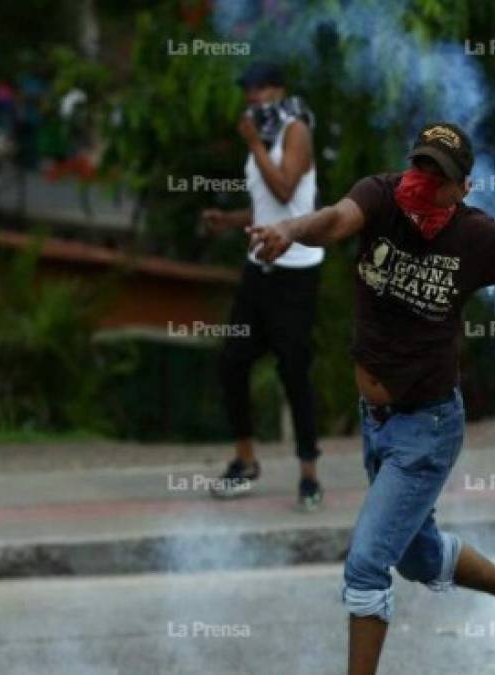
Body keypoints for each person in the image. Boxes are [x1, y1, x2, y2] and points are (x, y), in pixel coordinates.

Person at [248, 122, 495, 675]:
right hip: (376, 421)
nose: (423, 181)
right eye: (420, 165)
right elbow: (336, 220)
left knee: (366, 565)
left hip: (427, 428)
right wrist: (290, 228)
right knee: (416, 554)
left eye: (440, 175)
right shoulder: (381, 197)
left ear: (462, 188)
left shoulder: (476, 237)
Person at [202, 61, 324, 510]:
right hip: (259, 267)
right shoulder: (263, 135)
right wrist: (231, 220)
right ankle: (245, 460)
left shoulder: (295, 130)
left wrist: (253, 144)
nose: (252, 97)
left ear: (277, 89)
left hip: (295, 269)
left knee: (293, 370)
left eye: (259, 88)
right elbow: (266, 209)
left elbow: (288, 190)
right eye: (247, 90)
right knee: (232, 361)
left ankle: (309, 474)